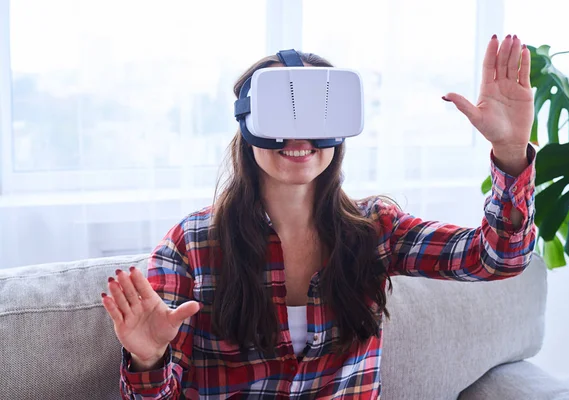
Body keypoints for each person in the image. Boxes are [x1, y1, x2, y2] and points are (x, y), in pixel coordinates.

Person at [101, 34, 537, 399]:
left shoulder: (375, 230)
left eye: (317, 115)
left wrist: (511, 152)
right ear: (247, 122)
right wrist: (148, 357)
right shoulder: (190, 246)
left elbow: (496, 259)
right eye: (281, 114)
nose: (299, 138)